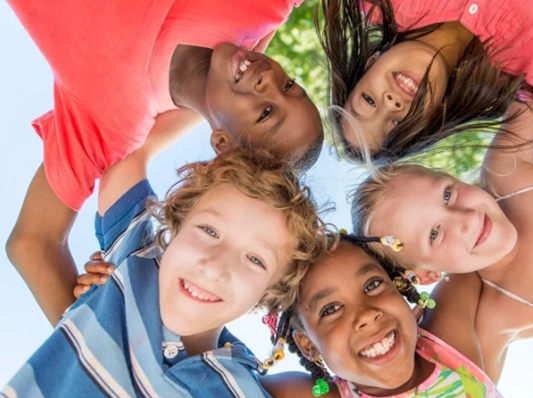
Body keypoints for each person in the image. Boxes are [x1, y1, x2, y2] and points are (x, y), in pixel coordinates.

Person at [6, 0, 324, 325]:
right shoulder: (262, 10)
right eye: (290, 86)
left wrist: (98, 342)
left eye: (266, 112)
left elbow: (32, 244)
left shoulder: (110, 123)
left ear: (224, 146)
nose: (269, 79)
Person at [0, 132, 332, 398]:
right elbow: (125, 136)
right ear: (178, 221)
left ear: (270, 292)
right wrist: (216, 94)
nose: (214, 266)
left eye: (255, 260)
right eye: (209, 230)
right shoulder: (133, 260)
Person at [349, 101, 533, 383]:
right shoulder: (500, 315)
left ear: (452, 177)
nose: (466, 218)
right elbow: (477, 395)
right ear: (427, 274)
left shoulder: (509, 174)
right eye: (434, 234)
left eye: (447, 195)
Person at [317, 0, 533, 162]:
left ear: (370, 63)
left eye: (368, 101)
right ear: (432, 117)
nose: (392, 104)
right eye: (397, 125)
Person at [260, 237, 521, 398]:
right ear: (309, 345)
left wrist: (420, 258)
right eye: (331, 309)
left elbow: (475, 253)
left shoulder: (446, 347)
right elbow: (225, 382)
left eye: (372, 285)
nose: (366, 314)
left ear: (399, 286)